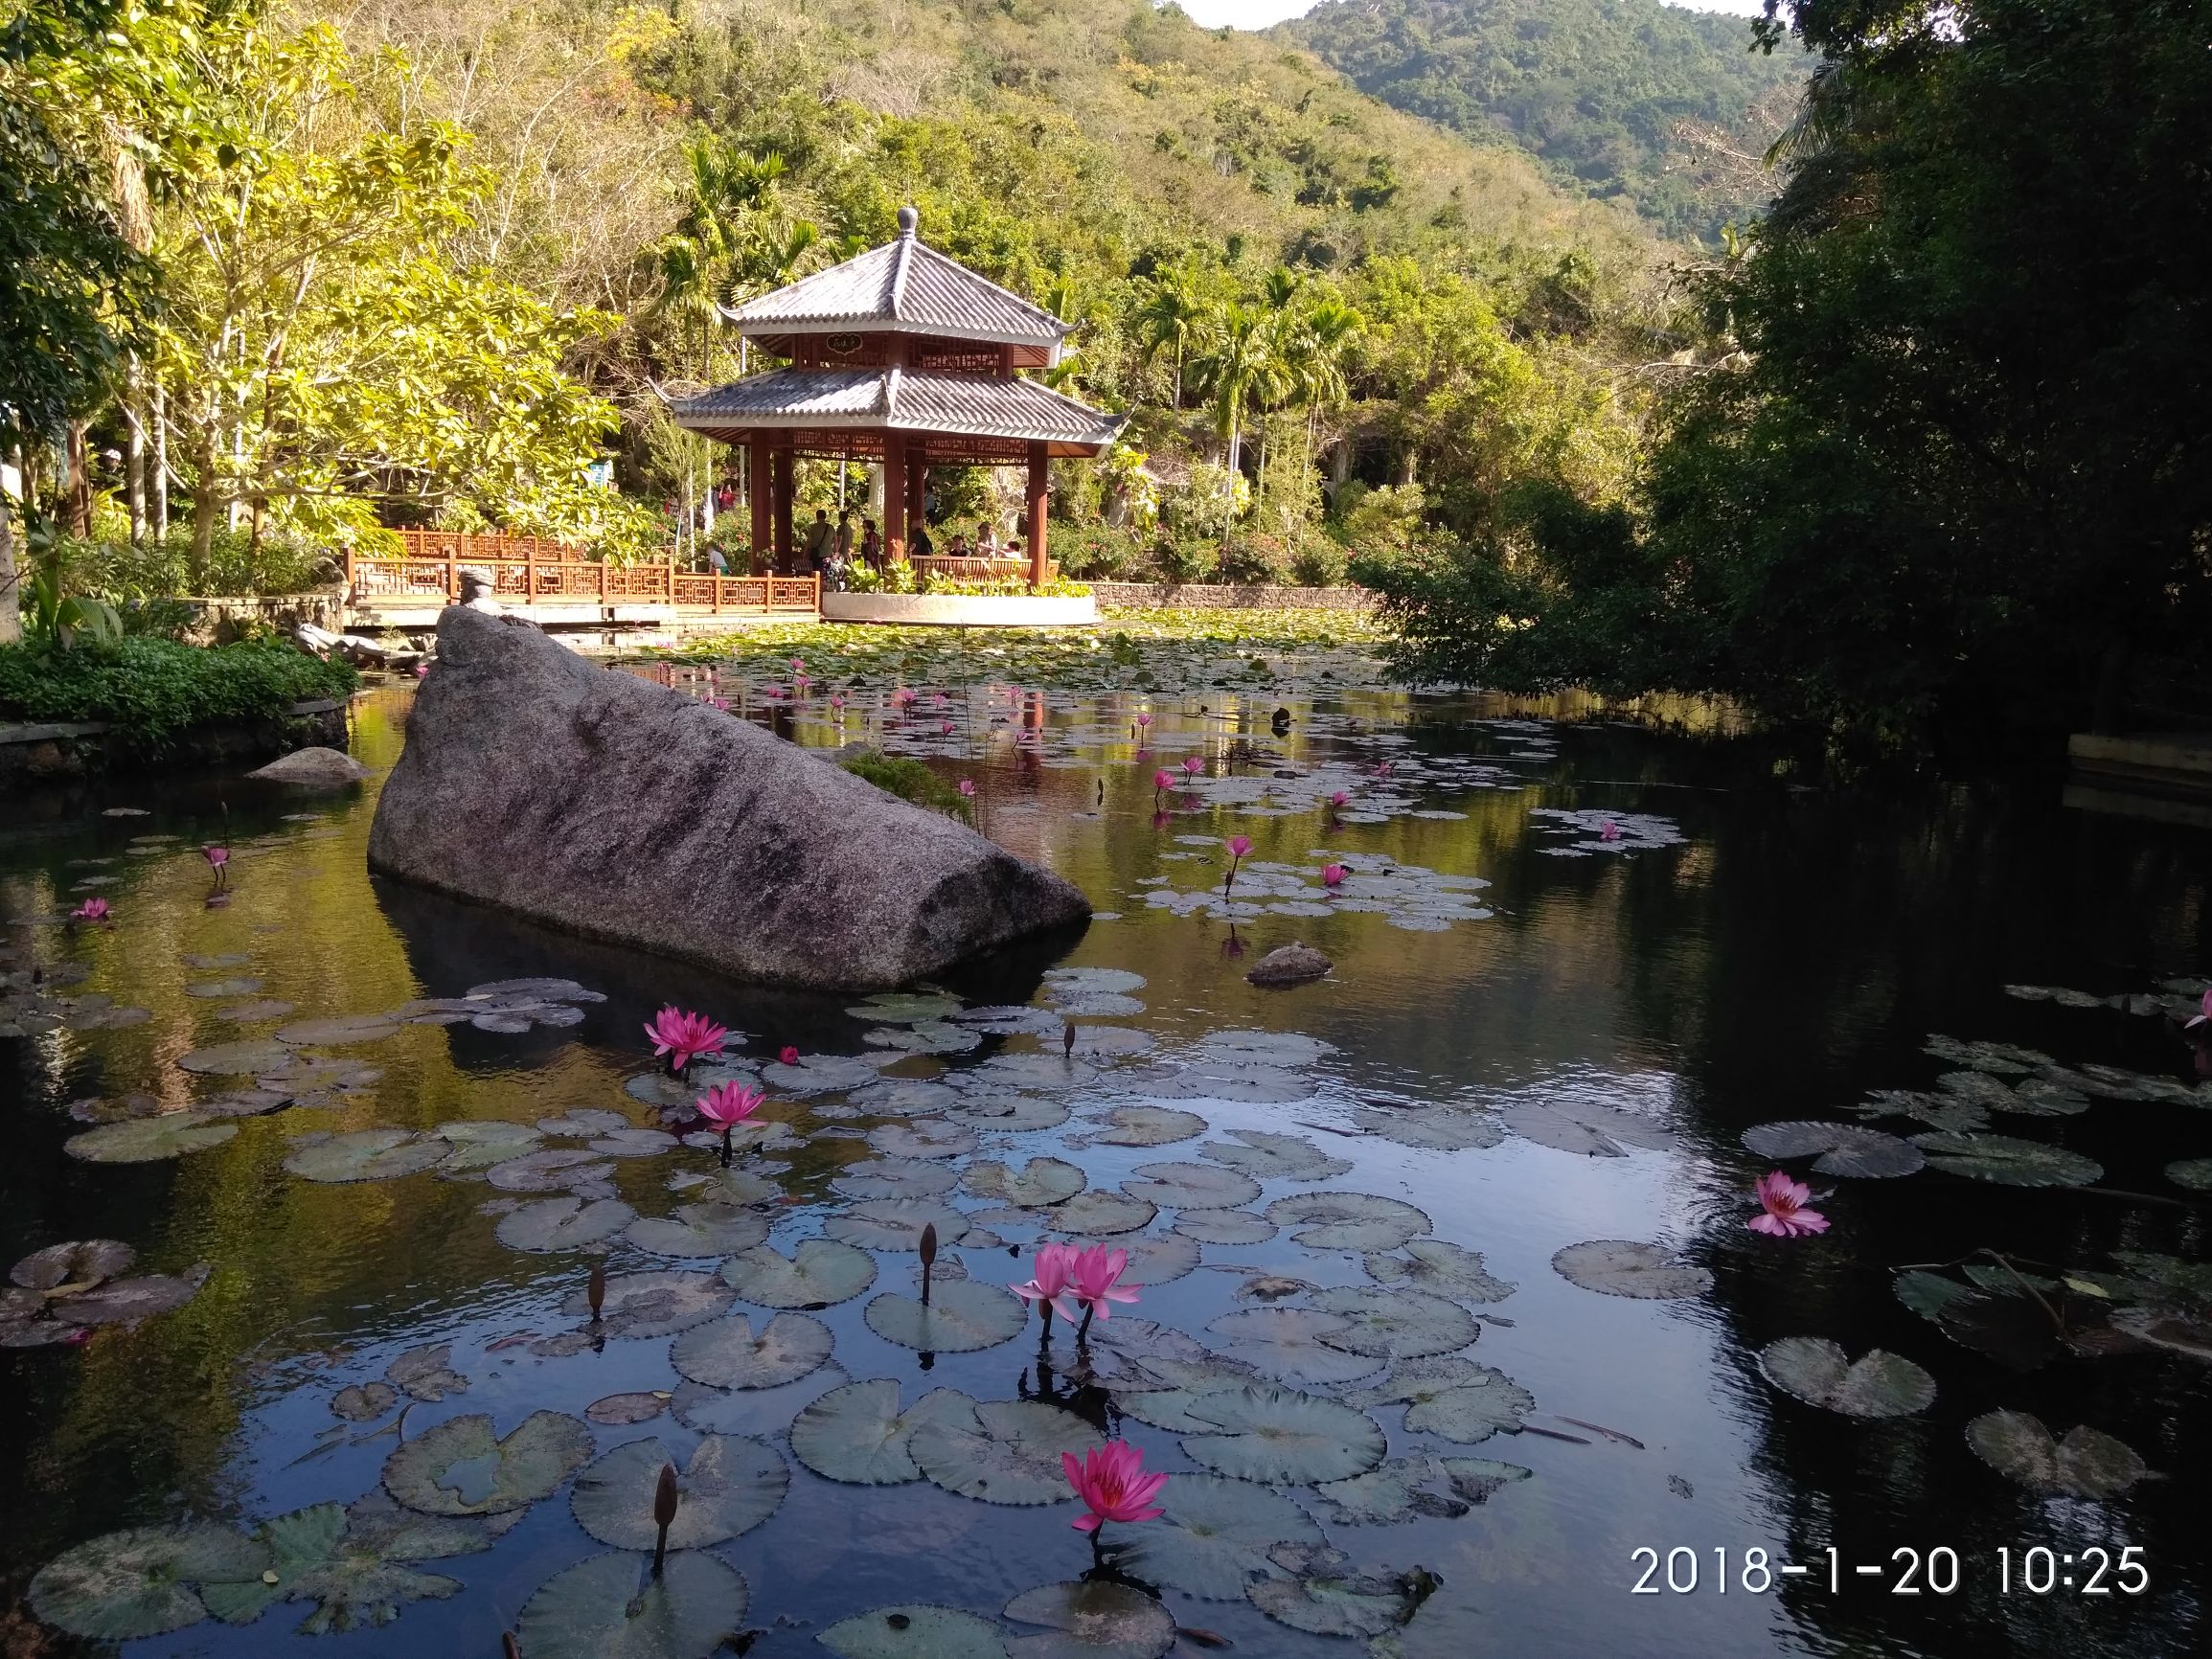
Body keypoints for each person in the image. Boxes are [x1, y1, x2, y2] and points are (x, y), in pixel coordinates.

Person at [802, 509, 832, 573]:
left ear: (817, 516)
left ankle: (818, 582)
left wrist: (805, 553)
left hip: (816, 555)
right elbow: (836, 540)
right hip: (828, 555)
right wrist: (836, 551)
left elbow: (808, 541)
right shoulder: (831, 527)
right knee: (827, 573)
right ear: (825, 516)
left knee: (816, 572)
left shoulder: (813, 527)